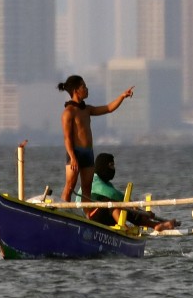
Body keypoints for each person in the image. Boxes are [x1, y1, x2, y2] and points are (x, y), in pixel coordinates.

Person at [58, 75, 135, 212]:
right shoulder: (68, 112)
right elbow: (67, 138)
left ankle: (87, 218)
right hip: (74, 153)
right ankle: (62, 213)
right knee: (70, 185)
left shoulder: (87, 109)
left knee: (87, 187)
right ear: (76, 90)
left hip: (88, 153)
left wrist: (122, 96)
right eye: (84, 87)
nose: (87, 89)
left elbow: (108, 108)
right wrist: (73, 157)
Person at [88, 152, 179, 232]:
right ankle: (124, 227)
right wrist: (135, 206)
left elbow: (121, 200)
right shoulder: (94, 180)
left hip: (104, 218)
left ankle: (156, 225)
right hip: (91, 218)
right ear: (103, 166)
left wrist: (142, 212)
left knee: (123, 207)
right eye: (111, 165)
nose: (113, 169)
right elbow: (114, 195)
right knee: (113, 203)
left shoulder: (107, 184)